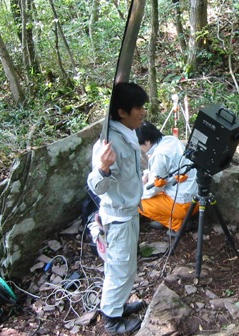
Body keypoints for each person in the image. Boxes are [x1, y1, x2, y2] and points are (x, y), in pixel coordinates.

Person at [87, 82, 148, 335]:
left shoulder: (127, 130)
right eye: (138, 107)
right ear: (122, 111)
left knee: (126, 267)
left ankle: (119, 306)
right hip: (118, 217)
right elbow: (96, 186)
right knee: (119, 269)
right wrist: (103, 168)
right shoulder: (108, 143)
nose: (143, 112)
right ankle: (111, 320)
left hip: (130, 212)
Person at [136, 121, 199, 236]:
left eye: (139, 144)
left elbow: (155, 188)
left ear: (147, 142)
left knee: (137, 203)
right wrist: (147, 174)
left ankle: (178, 225)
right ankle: (167, 218)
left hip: (184, 205)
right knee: (151, 194)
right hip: (197, 198)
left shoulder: (159, 155)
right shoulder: (170, 140)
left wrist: (137, 193)